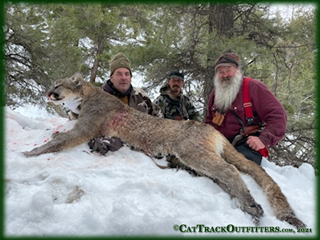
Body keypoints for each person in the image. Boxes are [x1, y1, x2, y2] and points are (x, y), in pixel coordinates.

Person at [205, 52, 287, 165]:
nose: (225, 75)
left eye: (229, 70)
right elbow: (209, 120)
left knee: (239, 166)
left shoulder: (254, 87)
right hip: (219, 142)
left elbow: (277, 116)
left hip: (246, 144)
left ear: (238, 70)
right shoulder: (215, 93)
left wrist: (263, 140)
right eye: (221, 72)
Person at [88, 52, 162, 154]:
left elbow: (158, 116)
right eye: (119, 74)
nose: (124, 77)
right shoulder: (97, 99)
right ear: (111, 78)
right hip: (112, 160)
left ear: (130, 77)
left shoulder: (141, 96)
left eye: (127, 74)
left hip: (143, 157)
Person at [154, 70, 200, 172]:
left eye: (179, 81)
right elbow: (155, 122)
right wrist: (174, 122)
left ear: (182, 84)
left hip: (184, 136)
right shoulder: (160, 101)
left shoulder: (185, 101)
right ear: (168, 82)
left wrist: (197, 126)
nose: (176, 83)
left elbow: (195, 115)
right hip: (166, 138)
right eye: (173, 80)